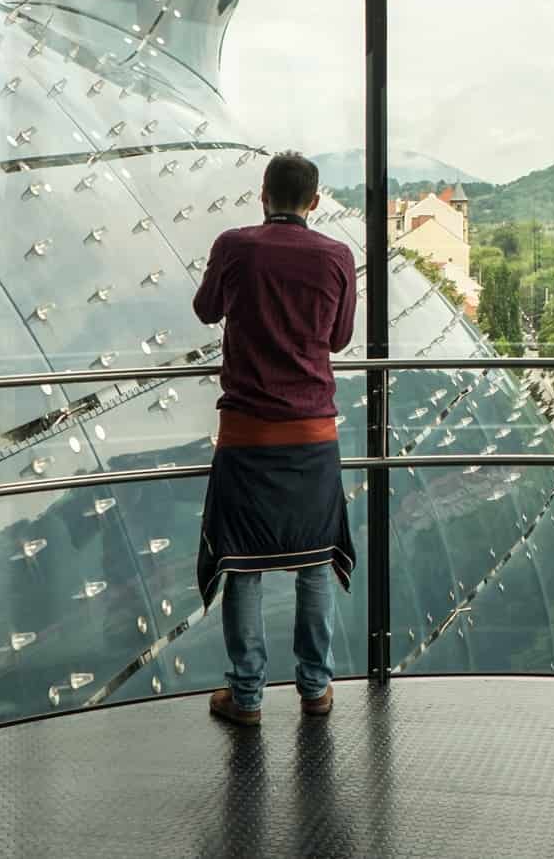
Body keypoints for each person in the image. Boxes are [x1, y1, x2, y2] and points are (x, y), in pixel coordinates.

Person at [192, 151, 358, 726]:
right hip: (313, 432)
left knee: (243, 562)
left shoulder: (235, 246)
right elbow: (338, 339)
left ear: (262, 195)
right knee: (314, 561)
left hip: (246, 432)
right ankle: (315, 689)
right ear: (315, 202)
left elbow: (205, 309)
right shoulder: (337, 256)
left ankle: (247, 696)